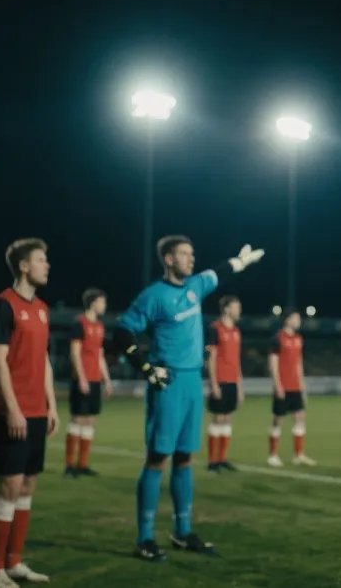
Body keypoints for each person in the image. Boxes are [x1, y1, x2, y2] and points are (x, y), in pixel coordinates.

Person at [114, 235, 264, 562]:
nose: (191, 259)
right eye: (184, 254)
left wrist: (241, 261)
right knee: (158, 459)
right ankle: (144, 537)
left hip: (193, 383)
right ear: (168, 259)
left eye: (192, 254)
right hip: (168, 383)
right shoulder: (153, 296)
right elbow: (122, 330)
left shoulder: (196, 285)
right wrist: (145, 366)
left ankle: (182, 532)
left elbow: (220, 272)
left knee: (185, 458)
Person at [0, 238, 59, 588]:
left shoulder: (43, 308)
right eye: (41, 260)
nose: (47, 265)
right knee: (9, 486)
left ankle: (14, 563)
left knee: (28, 485)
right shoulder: (3, 305)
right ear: (24, 266)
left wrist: (52, 404)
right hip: (9, 412)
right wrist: (13, 409)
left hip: (37, 411)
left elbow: (43, 360)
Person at [64, 288, 113, 478]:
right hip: (81, 380)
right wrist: (81, 378)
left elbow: (99, 355)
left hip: (94, 380)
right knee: (77, 419)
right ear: (93, 303)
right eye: (102, 302)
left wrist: (106, 380)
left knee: (90, 420)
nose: (104, 306)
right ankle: (69, 466)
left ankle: (82, 465)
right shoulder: (79, 324)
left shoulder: (100, 326)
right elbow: (75, 353)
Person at [266, 310, 314, 467]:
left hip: (295, 386)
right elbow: (273, 364)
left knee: (300, 418)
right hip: (283, 386)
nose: (298, 321)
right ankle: (272, 455)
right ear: (287, 320)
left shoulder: (299, 339)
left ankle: (298, 455)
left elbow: (299, 364)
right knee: (278, 420)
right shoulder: (277, 338)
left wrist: (302, 387)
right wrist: (277, 385)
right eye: (295, 318)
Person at [205, 295, 244, 473]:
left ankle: (222, 459)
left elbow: (237, 361)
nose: (239, 310)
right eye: (236, 307)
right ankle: (212, 461)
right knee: (218, 418)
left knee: (228, 418)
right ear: (227, 309)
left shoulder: (236, 331)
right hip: (219, 381)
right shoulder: (214, 329)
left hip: (232, 382)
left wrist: (240, 386)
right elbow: (211, 358)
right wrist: (213, 384)